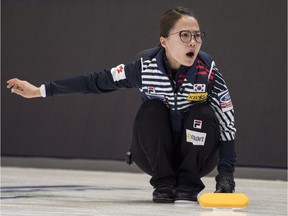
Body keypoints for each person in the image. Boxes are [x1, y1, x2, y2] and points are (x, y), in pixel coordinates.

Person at [6, 6, 236, 203]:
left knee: (203, 112)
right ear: (164, 41)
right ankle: (163, 184)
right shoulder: (144, 68)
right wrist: (41, 91)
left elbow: (227, 124)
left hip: (199, 158)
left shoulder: (208, 71)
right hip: (153, 157)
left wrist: (225, 176)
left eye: (197, 35)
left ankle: (188, 185)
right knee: (152, 109)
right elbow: (96, 81)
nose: (193, 42)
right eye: (184, 35)